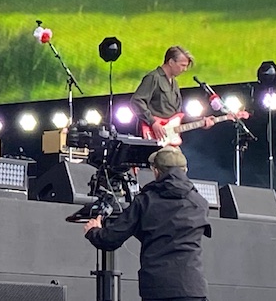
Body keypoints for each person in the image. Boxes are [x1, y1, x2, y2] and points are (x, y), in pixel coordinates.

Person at [83, 146, 212, 301]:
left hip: (158, 289)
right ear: (185, 170)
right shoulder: (200, 203)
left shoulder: (145, 201)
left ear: (156, 171)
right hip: (193, 288)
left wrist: (94, 231)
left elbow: (110, 239)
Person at [130, 46, 212, 141]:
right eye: (182, 65)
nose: (185, 69)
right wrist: (153, 123)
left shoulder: (175, 83)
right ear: (171, 62)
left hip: (169, 138)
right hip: (153, 138)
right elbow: (136, 101)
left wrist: (201, 121)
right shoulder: (154, 77)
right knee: (174, 156)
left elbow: (177, 115)